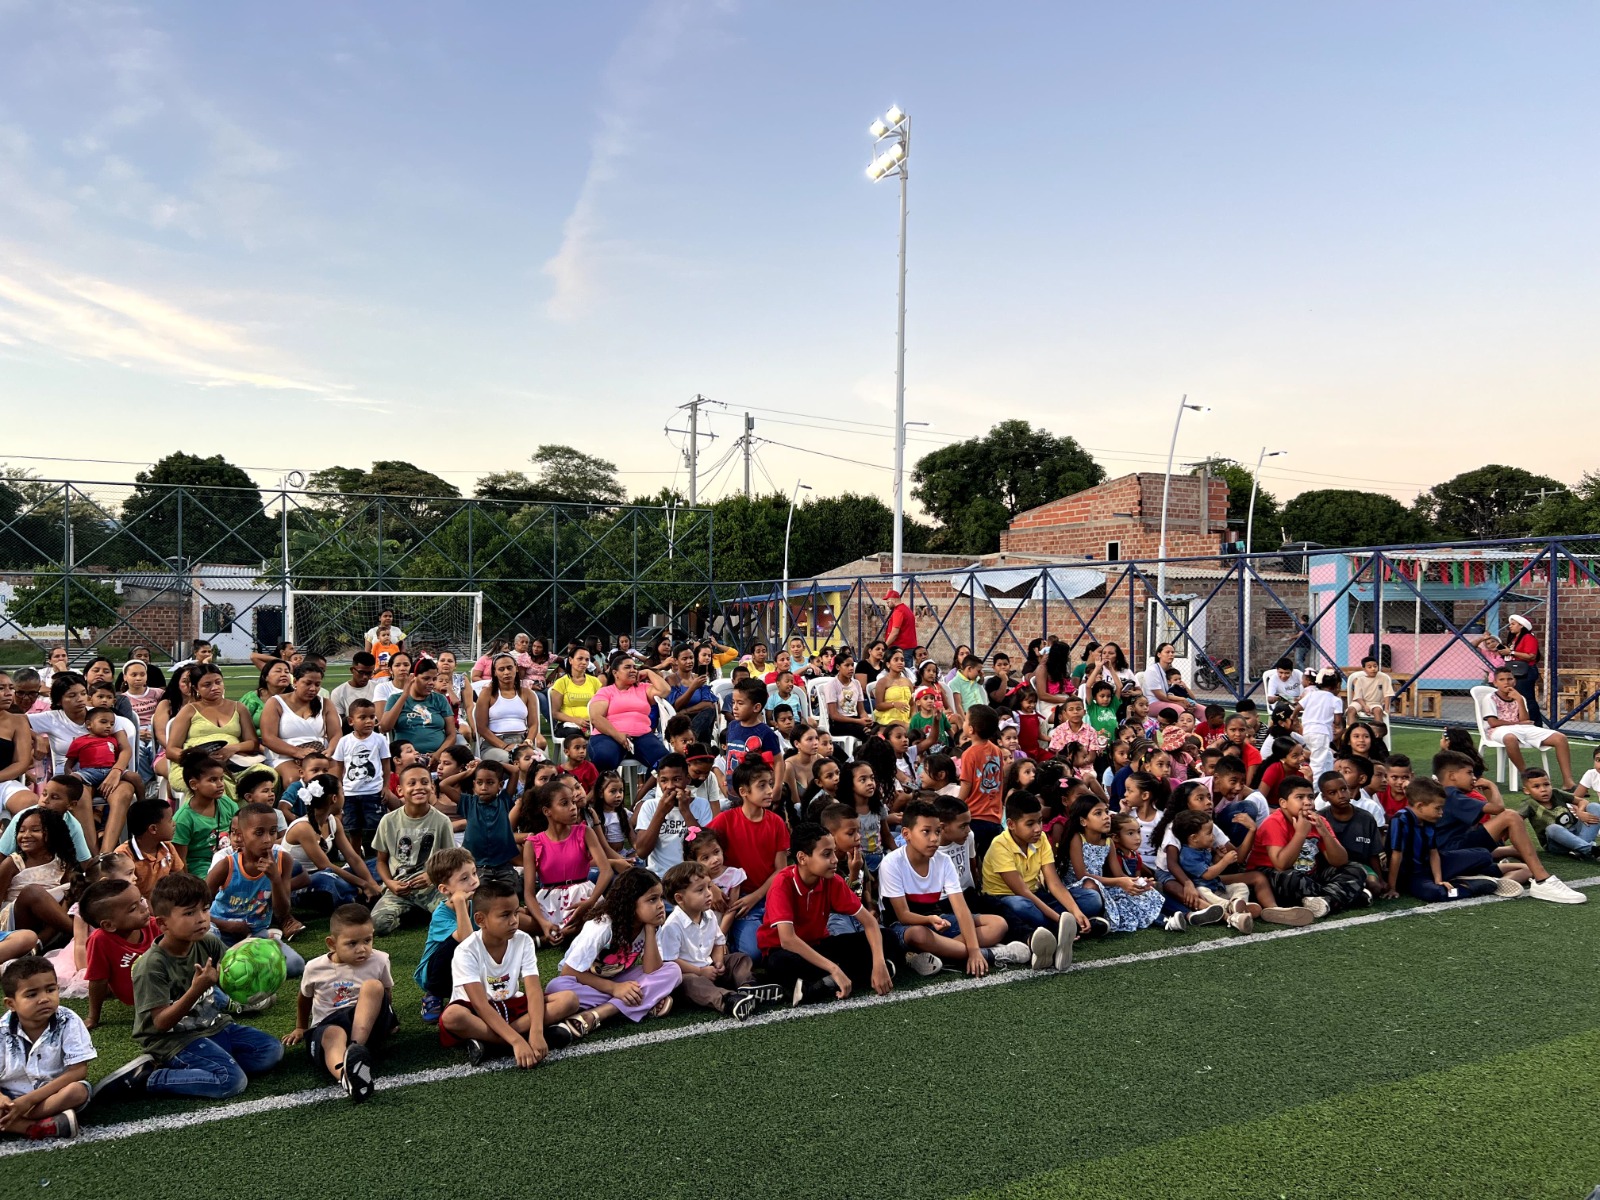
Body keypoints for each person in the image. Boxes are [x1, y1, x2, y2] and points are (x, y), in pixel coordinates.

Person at [115, 871, 285, 1100]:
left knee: (271, 1051)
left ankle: (207, 1065)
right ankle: (151, 1077)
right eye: (189, 913)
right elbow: (161, 1024)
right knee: (231, 1081)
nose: (201, 918)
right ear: (163, 924)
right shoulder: (152, 965)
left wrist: (257, 971)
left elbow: (229, 981)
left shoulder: (208, 943)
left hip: (214, 1026)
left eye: (205, 909)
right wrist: (196, 989)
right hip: (172, 1040)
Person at [440, 880, 585, 1065]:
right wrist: (517, 1041)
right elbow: (481, 1006)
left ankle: (491, 1045)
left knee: (569, 999)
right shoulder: (466, 950)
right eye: (505, 915)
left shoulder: (524, 940)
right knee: (452, 1016)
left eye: (516, 912)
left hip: (511, 1004)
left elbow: (533, 990)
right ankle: (513, 1041)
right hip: (478, 1012)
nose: (514, 920)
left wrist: (537, 1032)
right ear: (480, 920)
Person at [882, 797, 1027, 976]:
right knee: (919, 934)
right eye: (926, 832)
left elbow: (961, 908)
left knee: (998, 924)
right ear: (906, 834)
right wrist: (929, 921)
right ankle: (992, 953)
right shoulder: (892, 863)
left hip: (938, 921)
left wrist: (973, 949)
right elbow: (903, 916)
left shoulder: (943, 861)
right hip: (904, 928)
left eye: (937, 831)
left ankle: (933, 956)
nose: (934, 838)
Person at [757, 822, 894, 1006]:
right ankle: (838, 977)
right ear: (802, 858)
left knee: (889, 938)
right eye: (826, 854)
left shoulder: (832, 880)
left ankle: (818, 986)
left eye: (833, 852)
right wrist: (834, 968)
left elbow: (869, 922)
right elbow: (787, 940)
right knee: (779, 964)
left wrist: (879, 963)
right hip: (785, 951)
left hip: (818, 946)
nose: (835, 860)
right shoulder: (782, 884)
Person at [1430, 749, 1583, 904]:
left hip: (1457, 855)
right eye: (1469, 773)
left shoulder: (1448, 794)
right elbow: (1498, 809)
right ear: (1452, 776)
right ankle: (1543, 880)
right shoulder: (1452, 795)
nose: (1474, 777)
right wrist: (1491, 785)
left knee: (1527, 869)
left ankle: (1493, 882)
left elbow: (1493, 813)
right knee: (1511, 816)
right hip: (1450, 854)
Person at [283, 903, 397, 1102]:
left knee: (373, 986)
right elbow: (304, 999)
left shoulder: (379, 960)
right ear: (331, 944)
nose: (362, 949)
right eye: (352, 943)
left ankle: (355, 1049)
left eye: (368, 940)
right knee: (333, 1033)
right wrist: (301, 1027)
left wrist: (387, 1021)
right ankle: (347, 1075)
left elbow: (386, 995)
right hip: (328, 1023)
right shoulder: (315, 968)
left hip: (365, 1026)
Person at [547, 867, 682, 1026]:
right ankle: (642, 1002)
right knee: (556, 987)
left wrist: (650, 929)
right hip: (583, 982)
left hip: (617, 978)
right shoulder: (602, 925)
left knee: (673, 970)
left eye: (660, 898)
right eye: (652, 899)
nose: (660, 905)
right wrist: (614, 989)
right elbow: (568, 971)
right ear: (630, 903)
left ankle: (602, 1012)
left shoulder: (649, 924)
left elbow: (652, 970)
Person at [981, 790, 1090, 969]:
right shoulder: (999, 846)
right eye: (1030, 823)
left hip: (1036, 896)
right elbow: (1021, 892)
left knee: (1090, 899)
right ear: (1011, 824)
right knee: (1020, 905)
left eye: (1039, 821)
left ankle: (1064, 929)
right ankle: (1061, 931)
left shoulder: (1041, 839)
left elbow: (1054, 883)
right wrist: (1059, 919)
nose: (1038, 828)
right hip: (1005, 899)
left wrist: (1075, 911)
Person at [1243, 776, 1370, 917]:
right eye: (1300, 797)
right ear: (1283, 803)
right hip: (1275, 876)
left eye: (1310, 797)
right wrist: (1301, 833)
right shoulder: (1274, 823)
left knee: (1356, 869)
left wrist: (1325, 833)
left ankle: (1326, 900)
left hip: (1309, 876)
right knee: (1291, 878)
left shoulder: (1319, 820)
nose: (1307, 802)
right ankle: (1345, 894)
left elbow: (1340, 861)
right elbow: (1281, 865)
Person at [205, 803, 306, 977]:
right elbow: (198, 908)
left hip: (255, 933)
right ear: (240, 836)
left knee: (295, 965)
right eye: (259, 833)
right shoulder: (226, 866)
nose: (268, 839)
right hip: (220, 931)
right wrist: (228, 925)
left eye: (273, 831)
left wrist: (275, 879)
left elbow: (282, 912)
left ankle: (245, 962)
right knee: (214, 958)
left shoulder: (283, 861)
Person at [0, 957, 94, 1139]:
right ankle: (34, 1127)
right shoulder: (2, 1030)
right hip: (9, 1097)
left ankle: (16, 1120)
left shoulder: (68, 1020)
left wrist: (28, 1101)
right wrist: (3, 1100)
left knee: (78, 1091)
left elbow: (78, 1071)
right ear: (11, 1004)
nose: (44, 999)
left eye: (50, 990)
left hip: (51, 1095)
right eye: (31, 994)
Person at [658, 860, 765, 1019]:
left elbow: (718, 941)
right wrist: (700, 971)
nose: (709, 893)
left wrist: (719, 962)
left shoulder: (708, 915)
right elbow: (671, 961)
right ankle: (727, 999)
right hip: (689, 974)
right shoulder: (672, 926)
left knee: (739, 959)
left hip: (710, 967)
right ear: (680, 898)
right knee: (691, 983)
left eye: (709, 886)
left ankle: (749, 987)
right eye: (700, 890)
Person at [711, 761, 791, 960]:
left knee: (792, 941)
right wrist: (710, 887)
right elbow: (695, 851)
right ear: (743, 791)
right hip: (734, 899)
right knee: (753, 953)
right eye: (761, 785)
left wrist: (755, 896)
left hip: (767, 895)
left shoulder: (776, 822)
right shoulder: (725, 820)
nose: (769, 790)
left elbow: (781, 870)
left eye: (770, 784)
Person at [1384, 779, 1503, 902]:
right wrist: (1392, 887)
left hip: (1432, 866)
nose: (1441, 813)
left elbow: (1433, 852)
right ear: (1420, 806)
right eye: (1438, 808)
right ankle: (1468, 887)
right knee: (1437, 893)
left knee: (1484, 855)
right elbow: (1396, 855)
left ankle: (1460, 877)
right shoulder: (1401, 819)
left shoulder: (1429, 820)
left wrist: (1438, 880)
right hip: (1412, 875)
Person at [371, 763, 455, 934]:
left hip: (432, 886)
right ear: (400, 790)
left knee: (456, 913)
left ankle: (423, 909)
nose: (419, 787)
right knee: (378, 924)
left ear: (432, 787)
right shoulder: (389, 821)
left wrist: (431, 875)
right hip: (399, 888)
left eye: (424, 782)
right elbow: (381, 861)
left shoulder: (442, 821)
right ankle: (415, 910)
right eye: (412, 783)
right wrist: (389, 883)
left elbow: (449, 860)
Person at [1482, 666, 1576, 788]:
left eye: (1509, 679)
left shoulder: (1519, 697)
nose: (1506, 682)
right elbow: (1493, 722)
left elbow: (1524, 720)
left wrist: (1520, 700)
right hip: (1499, 730)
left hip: (1522, 728)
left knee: (1560, 738)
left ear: (1514, 681)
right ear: (1495, 683)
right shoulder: (1490, 698)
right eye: (1502, 679)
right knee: (1510, 738)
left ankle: (1568, 782)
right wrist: (1517, 724)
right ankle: (1528, 778)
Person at [586, 653, 670, 773]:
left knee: (666, 763)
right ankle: (609, 789)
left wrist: (648, 672)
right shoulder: (606, 691)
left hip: (642, 736)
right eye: (627, 667)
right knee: (604, 759)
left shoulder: (643, 688)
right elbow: (596, 718)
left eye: (635, 667)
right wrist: (617, 735)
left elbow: (665, 690)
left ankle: (649, 791)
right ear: (615, 673)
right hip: (608, 736)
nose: (633, 670)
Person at [259, 662, 339, 787]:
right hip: (284, 756)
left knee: (334, 779)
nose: (313, 689)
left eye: (317, 685)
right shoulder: (275, 702)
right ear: (295, 681)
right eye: (308, 683)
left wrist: (330, 750)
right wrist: (297, 752)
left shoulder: (326, 703)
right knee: (294, 780)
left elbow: (336, 733)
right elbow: (268, 738)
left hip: (319, 754)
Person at [331, 699, 392, 856]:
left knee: (376, 827)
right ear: (351, 721)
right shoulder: (344, 742)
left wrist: (385, 786)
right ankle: (355, 858)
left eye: (372, 717)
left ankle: (380, 858)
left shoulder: (380, 739)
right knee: (353, 829)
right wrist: (339, 790)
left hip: (373, 792)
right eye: (363, 717)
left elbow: (386, 765)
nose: (368, 721)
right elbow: (339, 767)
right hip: (350, 794)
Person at [378, 658, 458, 765]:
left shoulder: (439, 699)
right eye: (426, 678)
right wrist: (404, 696)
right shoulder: (395, 699)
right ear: (413, 678)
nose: (431, 683)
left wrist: (438, 754)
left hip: (439, 756)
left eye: (434, 679)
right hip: (408, 758)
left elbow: (452, 734)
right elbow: (384, 728)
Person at [1517, 768, 1600, 859]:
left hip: (1576, 831)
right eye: (1536, 786)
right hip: (1556, 843)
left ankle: (1582, 849)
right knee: (1552, 828)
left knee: (1594, 807)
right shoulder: (1529, 804)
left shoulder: (1556, 793)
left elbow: (1582, 801)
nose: (1543, 789)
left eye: (1546, 785)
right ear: (1526, 790)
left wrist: (1580, 812)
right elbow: (1515, 820)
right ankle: (1590, 849)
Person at [474, 653, 541, 764]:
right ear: (495, 672)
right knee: (510, 760)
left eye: (509, 668)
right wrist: (504, 746)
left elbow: (533, 724)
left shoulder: (528, 694)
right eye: (501, 669)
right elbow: (481, 727)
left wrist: (528, 741)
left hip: (522, 742)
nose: (506, 672)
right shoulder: (487, 694)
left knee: (543, 759)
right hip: (494, 744)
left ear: (516, 668)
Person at [959, 704, 1007, 860]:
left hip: (974, 816)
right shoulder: (997, 750)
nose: (964, 723)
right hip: (994, 816)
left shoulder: (969, 754)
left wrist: (957, 805)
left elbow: (966, 784)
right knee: (990, 860)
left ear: (971, 730)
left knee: (975, 858)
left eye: (965, 719)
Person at [114, 798, 179, 900]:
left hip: (164, 902)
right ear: (153, 829)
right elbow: (125, 894)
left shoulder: (168, 847)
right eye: (170, 820)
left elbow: (179, 877)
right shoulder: (123, 855)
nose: (174, 823)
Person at [667, 642, 719, 746]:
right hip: (681, 722)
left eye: (691, 658)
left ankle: (691, 740)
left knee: (709, 711)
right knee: (706, 729)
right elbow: (675, 706)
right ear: (676, 661)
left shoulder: (698, 677)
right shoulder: (672, 679)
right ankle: (701, 748)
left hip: (700, 718)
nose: (689, 661)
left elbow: (708, 704)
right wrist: (692, 688)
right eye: (684, 659)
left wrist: (685, 711)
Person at [1299, 668, 1344, 781]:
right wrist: (1337, 723)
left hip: (1308, 731)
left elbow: (1299, 706)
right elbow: (1338, 721)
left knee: (1327, 757)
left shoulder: (1312, 694)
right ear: (1337, 685)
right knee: (1317, 763)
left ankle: (1328, 778)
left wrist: (1293, 716)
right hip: (1321, 733)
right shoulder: (1335, 700)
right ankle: (1313, 787)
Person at [1502, 613, 1545, 727]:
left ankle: (1535, 723)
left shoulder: (1528, 637)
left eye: (1513, 624)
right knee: (1516, 696)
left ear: (1521, 625)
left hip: (1526, 671)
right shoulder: (1514, 639)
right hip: (1516, 671)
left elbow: (1531, 656)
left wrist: (1511, 652)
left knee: (1526, 697)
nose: (1510, 626)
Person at [1346, 656, 1395, 721]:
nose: (1373, 669)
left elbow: (1387, 694)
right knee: (1351, 709)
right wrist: (1364, 706)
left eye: (1375, 666)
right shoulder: (1360, 679)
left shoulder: (1383, 678)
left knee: (1378, 711)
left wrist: (1386, 709)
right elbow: (1358, 697)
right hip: (1360, 703)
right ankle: (1351, 729)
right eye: (1369, 667)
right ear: (1364, 669)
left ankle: (1378, 730)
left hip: (1375, 703)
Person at [882, 588, 917, 655]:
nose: (887, 605)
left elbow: (894, 632)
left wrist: (885, 646)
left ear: (893, 600)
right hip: (909, 646)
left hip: (901, 648)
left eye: (888, 602)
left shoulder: (898, 611)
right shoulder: (907, 610)